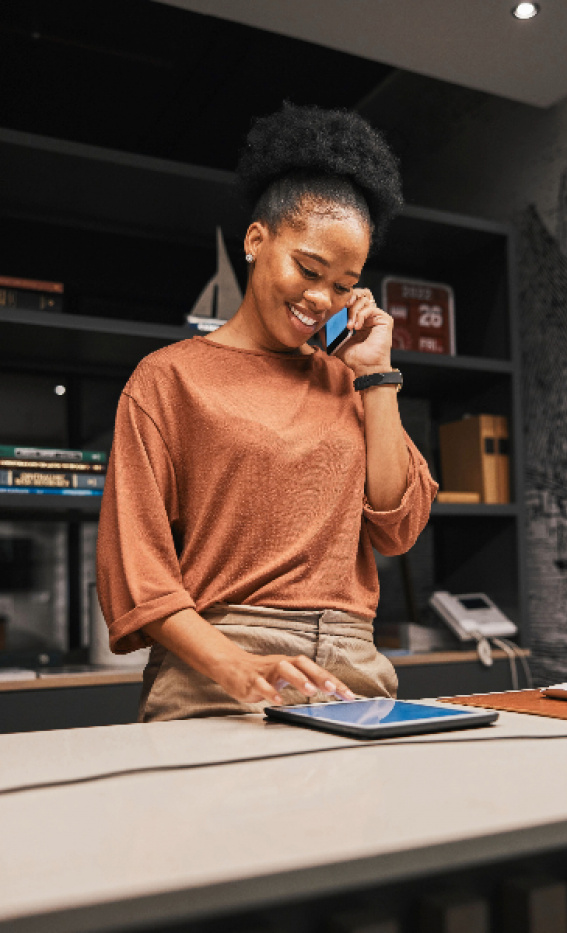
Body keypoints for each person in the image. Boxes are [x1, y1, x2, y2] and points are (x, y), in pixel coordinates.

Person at [96, 103, 438, 722]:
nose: (320, 299)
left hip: (354, 673)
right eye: (308, 268)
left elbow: (397, 525)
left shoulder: (348, 381)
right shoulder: (168, 378)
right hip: (218, 674)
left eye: (342, 284)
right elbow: (137, 572)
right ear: (258, 240)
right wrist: (235, 666)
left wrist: (376, 376)